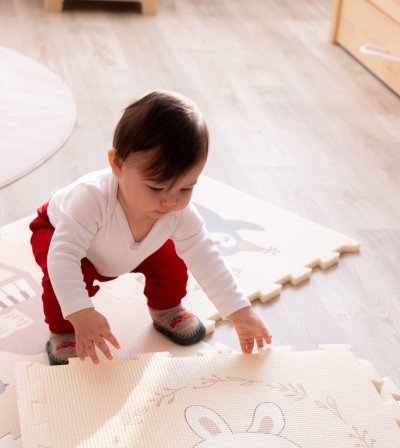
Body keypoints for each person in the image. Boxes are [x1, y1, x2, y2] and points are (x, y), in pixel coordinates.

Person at [30, 90, 272, 366]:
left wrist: (240, 313)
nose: (170, 201)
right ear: (118, 164)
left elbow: (207, 258)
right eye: (156, 188)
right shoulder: (90, 199)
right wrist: (81, 313)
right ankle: (64, 331)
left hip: (125, 249)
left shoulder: (178, 213)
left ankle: (167, 309)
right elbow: (63, 257)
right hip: (61, 237)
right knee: (63, 274)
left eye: (185, 188)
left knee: (170, 258)